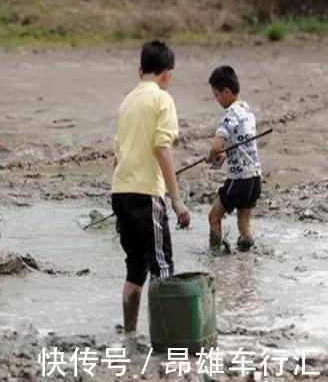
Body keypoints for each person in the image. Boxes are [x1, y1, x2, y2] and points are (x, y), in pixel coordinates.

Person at [111, 40, 191, 338]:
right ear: (167, 74)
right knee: (162, 266)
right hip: (146, 194)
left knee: (136, 267)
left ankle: (130, 333)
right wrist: (177, 200)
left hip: (120, 191)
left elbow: (116, 155)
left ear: (140, 69)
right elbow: (163, 148)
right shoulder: (162, 100)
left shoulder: (127, 102)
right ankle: (167, 338)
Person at [206, 65, 262, 253]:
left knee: (213, 216)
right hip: (255, 179)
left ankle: (215, 257)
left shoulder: (229, 114)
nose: (216, 100)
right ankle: (246, 259)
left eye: (216, 95)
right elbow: (242, 143)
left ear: (227, 91)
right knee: (244, 224)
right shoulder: (247, 110)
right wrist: (226, 154)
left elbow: (216, 146)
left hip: (239, 180)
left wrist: (212, 156)